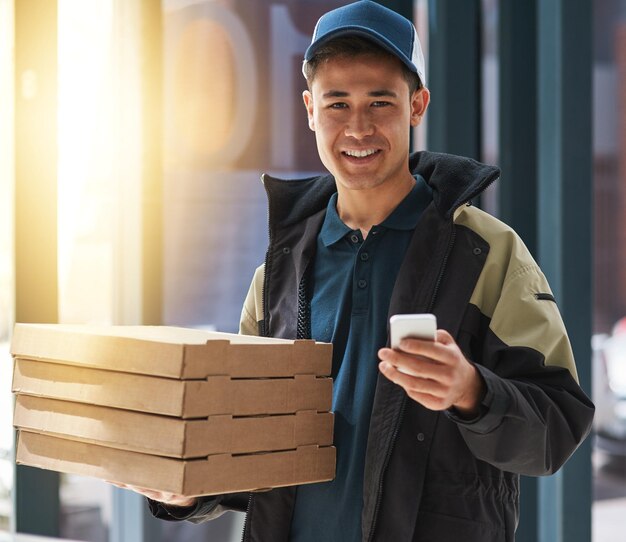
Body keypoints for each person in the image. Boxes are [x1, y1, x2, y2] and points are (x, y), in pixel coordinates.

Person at [128, 1, 594, 540]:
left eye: (380, 101)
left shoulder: (485, 253)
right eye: (337, 103)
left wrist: (472, 392)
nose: (358, 127)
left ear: (416, 105)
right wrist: (192, 487)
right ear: (309, 109)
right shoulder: (277, 275)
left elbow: (558, 426)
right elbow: (252, 447)